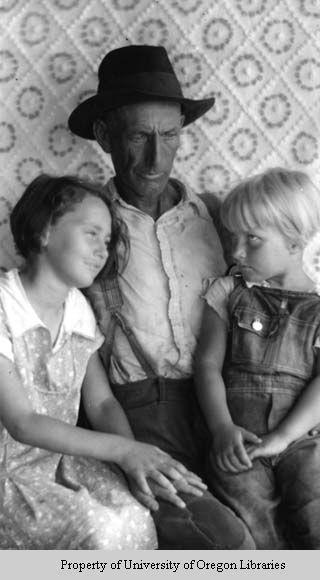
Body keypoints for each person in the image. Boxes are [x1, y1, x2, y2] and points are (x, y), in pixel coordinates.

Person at [68, 44, 256, 549]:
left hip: (229, 404)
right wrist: (125, 451)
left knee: (282, 527)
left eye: (169, 136)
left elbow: (292, 306)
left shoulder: (222, 218)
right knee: (224, 543)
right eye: (139, 136)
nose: (157, 157)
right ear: (105, 137)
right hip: (138, 413)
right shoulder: (84, 226)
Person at [0, 174, 206, 550]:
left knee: (132, 513)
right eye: (91, 233)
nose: (102, 250)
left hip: (65, 462)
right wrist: (124, 451)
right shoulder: (4, 305)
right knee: (99, 530)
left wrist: (135, 462)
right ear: (45, 231)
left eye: (108, 241)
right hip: (9, 476)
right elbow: (22, 423)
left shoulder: (78, 308)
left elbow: (101, 402)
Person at [194, 168, 320, 549]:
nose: (236, 252)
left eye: (253, 240)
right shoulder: (228, 292)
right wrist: (221, 429)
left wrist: (283, 437)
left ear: (295, 243)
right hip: (239, 437)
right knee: (250, 525)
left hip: (307, 438)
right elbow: (207, 365)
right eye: (234, 237)